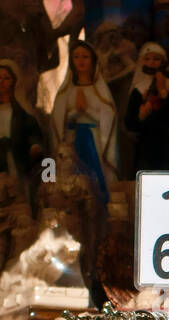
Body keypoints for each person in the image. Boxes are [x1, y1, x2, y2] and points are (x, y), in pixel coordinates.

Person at [49, 39, 117, 205]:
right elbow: (57, 120)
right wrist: (74, 113)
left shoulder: (100, 91)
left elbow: (109, 116)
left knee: (96, 178)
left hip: (95, 141)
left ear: (93, 61)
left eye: (85, 57)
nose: (81, 60)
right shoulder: (66, 91)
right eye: (77, 57)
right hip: (72, 139)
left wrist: (86, 110)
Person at [123, 42, 169, 172]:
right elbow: (130, 123)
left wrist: (163, 92)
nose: (151, 63)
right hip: (145, 147)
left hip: (168, 144)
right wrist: (141, 116)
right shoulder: (138, 90)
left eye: (156, 59)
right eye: (147, 59)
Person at [0, 59, 43, 205]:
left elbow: (32, 134)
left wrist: (34, 146)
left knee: (21, 196)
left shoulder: (23, 114)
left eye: (6, 78)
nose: (2, 82)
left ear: (14, 82)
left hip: (16, 162)